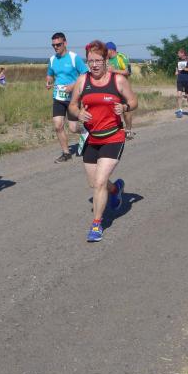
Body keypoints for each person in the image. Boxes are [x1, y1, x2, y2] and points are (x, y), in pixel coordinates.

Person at [68, 40, 137, 242]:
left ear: (106, 60)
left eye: (98, 60)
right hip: (91, 137)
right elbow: (72, 105)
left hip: (113, 137)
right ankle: (115, 189)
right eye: (91, 61)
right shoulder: (83, 80)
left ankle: (97, 224)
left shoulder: (117, 80)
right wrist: (78, 113)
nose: (94, 65)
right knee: (94, 183)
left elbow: (134, 101)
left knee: (99, 183)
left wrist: (124, 108)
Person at [46, 32, 89, 163]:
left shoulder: (74, 58)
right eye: (53, 45)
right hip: (58, 97)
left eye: (58, 44)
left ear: (65, 43)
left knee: (73, 128)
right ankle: (66, 153)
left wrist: (73, 86)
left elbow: (85, 75)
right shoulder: (52, 59)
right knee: (58, 125)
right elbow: (50, 74)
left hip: (73, 98)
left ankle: (84, 131)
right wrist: (48, 81)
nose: (55, 47)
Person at [106, 41, 135, 140]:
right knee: (111, 110)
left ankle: (128, 130)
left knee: (126, 110)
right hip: (110, 88)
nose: (104, 52)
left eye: (106, 50)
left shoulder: (121, 57)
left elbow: (128, 72)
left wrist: (113, 70)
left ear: (111, 50)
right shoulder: (106, 59)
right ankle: (115, 130)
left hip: (123, 88)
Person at [174, 48, 188, 117]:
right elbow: (177, 69)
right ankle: (180, 110)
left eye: (179, 53)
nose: (178, 54)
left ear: (182, 53)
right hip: (180, 79)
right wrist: (176, 72)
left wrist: (185, 69)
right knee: (179, 95)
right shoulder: (178, 60)